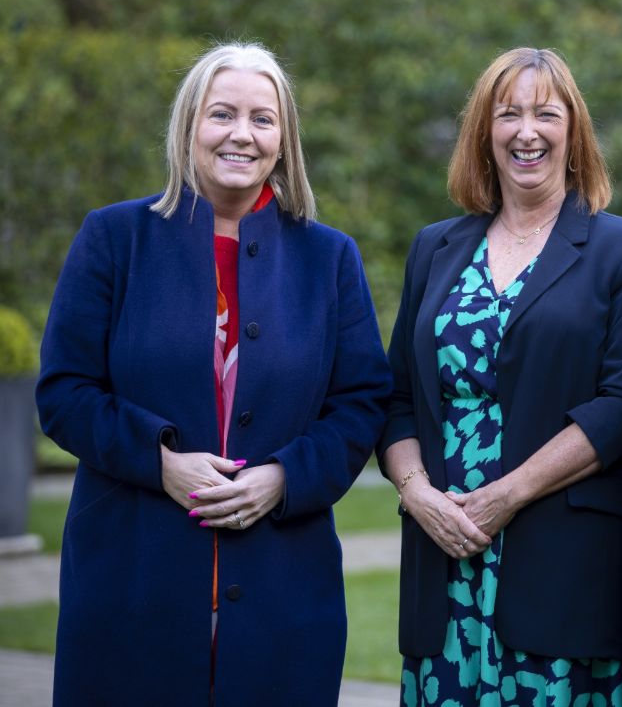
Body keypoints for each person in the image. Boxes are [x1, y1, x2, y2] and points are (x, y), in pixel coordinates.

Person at [36, 41, 392, 706]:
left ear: (283, 140)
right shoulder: (114, 238)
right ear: (188, 128)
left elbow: (361, 404)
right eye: (221, 113)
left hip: (283, 591)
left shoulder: (329, 257)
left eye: (262, 119)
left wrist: (285, 477)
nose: (241, 134)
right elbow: (63, 392)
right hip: (132, 584)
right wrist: (159, 459)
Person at [379, 47, 622, 706]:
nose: (526, 131)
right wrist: (417, 491)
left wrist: (504, 495)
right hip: (442, 558)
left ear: (573, 132)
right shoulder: (435, 247)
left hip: (560, 561)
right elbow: (397, 396)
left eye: (545, 113)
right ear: (484, 132)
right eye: (507, 114)